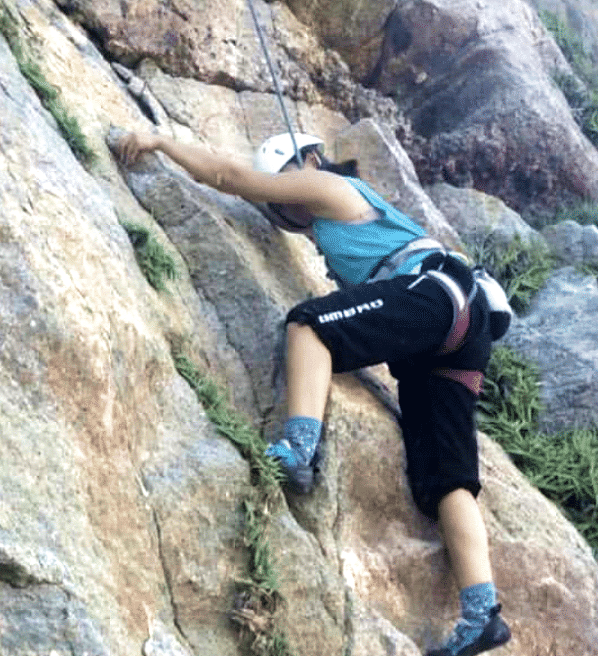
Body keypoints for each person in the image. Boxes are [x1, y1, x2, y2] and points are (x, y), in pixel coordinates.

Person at [117, 130, 511, 656]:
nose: (287, 202)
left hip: (434, 294)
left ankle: (299, 449)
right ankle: (482, 614)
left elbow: (230, 178)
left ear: (305, 162)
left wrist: (161, 142)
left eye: (285, 188)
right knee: (445, 479)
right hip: (457, 327)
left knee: (310, 325)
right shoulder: (342, 222)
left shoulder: (329, 185)